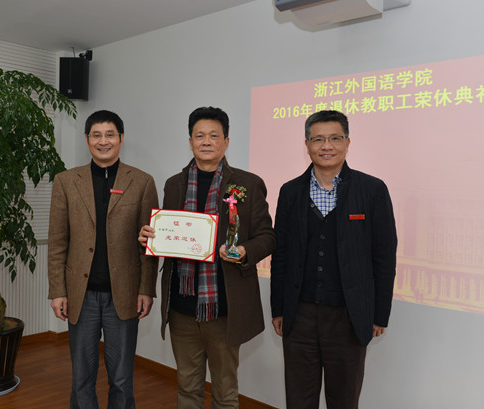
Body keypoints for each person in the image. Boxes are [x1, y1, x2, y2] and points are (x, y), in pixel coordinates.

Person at [139, 106, 276, 409]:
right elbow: (169, 233)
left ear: (226, 142)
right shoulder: (174, 184)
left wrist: (244, 251)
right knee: (187, 387)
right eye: (199, 135)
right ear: (190, 141)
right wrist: (151, 236)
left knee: (225, 393)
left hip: (224, 307)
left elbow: (268, 237)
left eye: (214, 135)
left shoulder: (248, 184)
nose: (206, 141)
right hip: (182, 307)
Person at [270, 110, 397, 409]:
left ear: (347, 143)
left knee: (344, 400)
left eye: (335, 138)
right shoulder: (290, 191)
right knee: (299, 399)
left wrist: (379, 314)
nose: (326, 146)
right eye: (318, 139)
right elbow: (281, 254)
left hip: (349, 316)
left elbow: (384, 256)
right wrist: (279, 308)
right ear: (307, 144)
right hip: (299, 315)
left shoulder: (372, 190)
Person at [48, 110, 159, 409]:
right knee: (81, 377)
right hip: (80, 295)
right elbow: (57, 242)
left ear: (121, 139)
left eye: (110, 134)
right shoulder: (66, 181)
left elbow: (149, 243)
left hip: (123, 294)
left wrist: (146, 289)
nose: (103, 141)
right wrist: (58, 291)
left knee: (121, 379)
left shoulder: (142, 182)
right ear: (87, 139)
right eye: (96, 135)